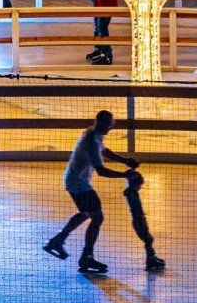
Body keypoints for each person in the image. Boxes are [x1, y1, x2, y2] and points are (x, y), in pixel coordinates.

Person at [43, 110, 140, 274]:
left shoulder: (93, 132)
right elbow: (101, 170)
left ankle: (58, 240)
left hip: (76, 181)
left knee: (86, 213)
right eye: (110, 124)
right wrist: (124, 174)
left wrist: (125, 161)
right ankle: (86, 256)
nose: (112, 127)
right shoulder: (91, 141)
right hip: (79, 184)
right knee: (97, 217)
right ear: (103, 124)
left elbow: (105, 151)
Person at [121, 169, 165, 272]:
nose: (140, 187)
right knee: (148, 239)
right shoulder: (131, 192)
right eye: (139, 185)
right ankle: (150, 259)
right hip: (138, 220)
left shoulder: (131, 191)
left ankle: (152, 256)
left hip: (140, 219)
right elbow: (128, 192)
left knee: (148, 239)